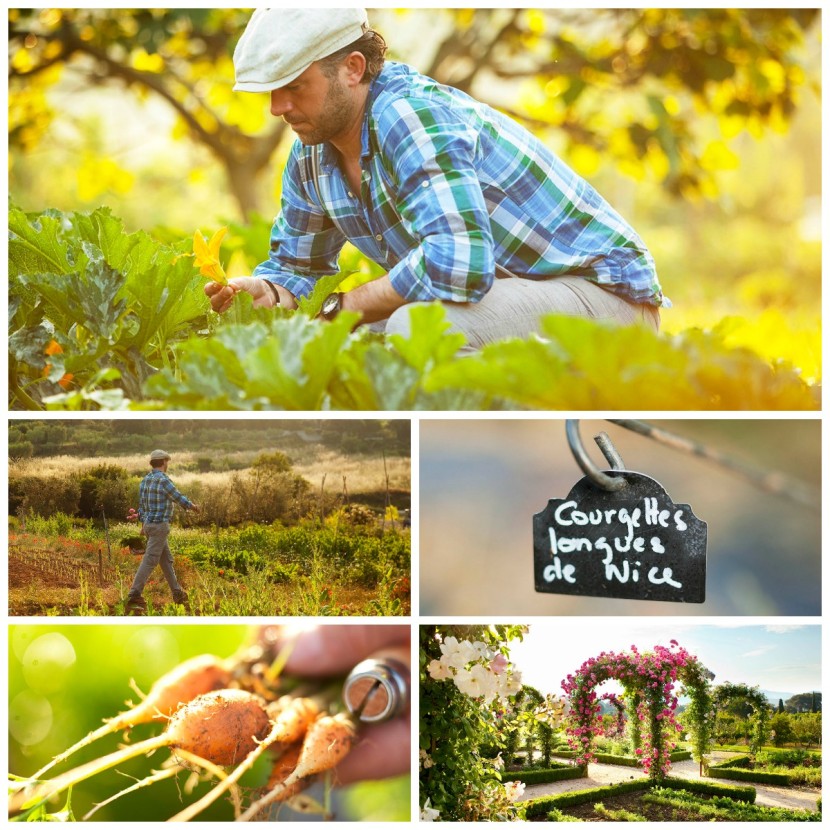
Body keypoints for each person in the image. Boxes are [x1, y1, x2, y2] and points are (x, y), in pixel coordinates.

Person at [207, 9, 665, 351]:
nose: (276, 108)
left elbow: (457, 264)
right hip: (504, 298)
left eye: (293, 86)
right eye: (271, 91)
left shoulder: (408, 116)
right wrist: (268, 292)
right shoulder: (310, 154)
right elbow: (299, 272)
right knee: (355, 343)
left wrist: (342, 308)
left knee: (417, 329)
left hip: (603, 299)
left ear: (352, 68)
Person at [126, 450, 200, 615]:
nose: (168, 464)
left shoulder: (145, 480)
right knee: (150, 560)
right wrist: (193, 507)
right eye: (167, 461)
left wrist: (142, 522)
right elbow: (178, 497)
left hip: (150, 525)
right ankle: (134, 594)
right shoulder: (163, 480)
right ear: (164, 462)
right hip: (159, 526)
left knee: (166, 561)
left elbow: (143, 506)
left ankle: (177, 593)